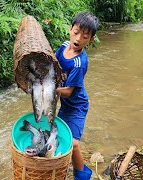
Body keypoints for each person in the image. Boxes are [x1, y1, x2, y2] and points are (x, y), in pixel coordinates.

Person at [55, 11, 99, 180]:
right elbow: (54, 64)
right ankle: (60, 167)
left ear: (91, 40)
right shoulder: (63, 46)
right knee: (59, 136)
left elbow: (67, 92)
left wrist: (51, 89)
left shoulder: (79, 63)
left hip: (77, 107)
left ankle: (82, 174)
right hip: (66, 105)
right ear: (70, 29)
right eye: (76, 32)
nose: (79, 38)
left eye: (85, 36)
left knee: (73, 143)